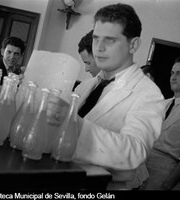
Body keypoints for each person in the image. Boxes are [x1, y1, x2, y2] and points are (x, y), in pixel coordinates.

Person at [46, 3, 166, 190]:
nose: (99, 48)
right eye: (96, 39)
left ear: (133, 45)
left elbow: (134, 152)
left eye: (110, 40)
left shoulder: (148, 94)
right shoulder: (87, 85)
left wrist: (74, 125)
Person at [140, 57, 180, 190]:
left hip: (166, 172)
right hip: (142, 168)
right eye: (172, 73)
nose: (173, 77)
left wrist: (168, 184)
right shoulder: (163, 103)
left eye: (179, 73)